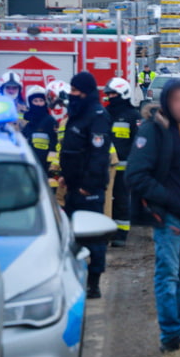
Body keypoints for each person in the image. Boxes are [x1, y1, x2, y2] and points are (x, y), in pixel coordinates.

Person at [126, 79, 180, 354]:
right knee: (168, 276)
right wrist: (169, 202)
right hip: (170, 219)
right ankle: (171, 336)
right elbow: (136, 176)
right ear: (167, 102)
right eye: (177, 100)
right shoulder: (154, 131)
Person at [60, 71, 112, 299]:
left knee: (93, 236)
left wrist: (88, 185)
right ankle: (75, 278)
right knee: (73, 237)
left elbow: (98, 154)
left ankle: (94, 282)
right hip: (73, 186)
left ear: (86, 91)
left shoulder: (97, 115)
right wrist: (66, 176)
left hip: (88, 190)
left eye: (75, 90)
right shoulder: (78, 113)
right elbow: (74, 150)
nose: (71, 94)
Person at [104, 77, 141, 247]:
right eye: (109, 94)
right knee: (104, 200)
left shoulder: (133, 116)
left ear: (123, 94)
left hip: (124, 167)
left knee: (121, 200)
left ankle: (121, 234)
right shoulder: (104, 114)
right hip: (104, 167)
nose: (110, 97)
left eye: (114, 93)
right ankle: (104, 231)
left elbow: (139, 142)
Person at [21, 85, 57, 174]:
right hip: (28, 163)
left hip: (45, 165)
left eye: (41, 101)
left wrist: (50, 166)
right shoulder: (25, 120)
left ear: (45, 102)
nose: (38, 103)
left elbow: (54, 144)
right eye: (35, 101)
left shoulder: (50, 121)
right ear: (30, 103)